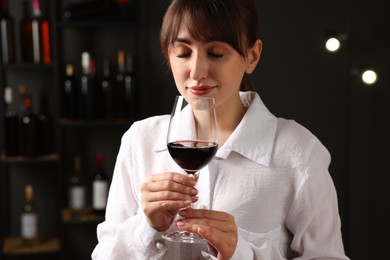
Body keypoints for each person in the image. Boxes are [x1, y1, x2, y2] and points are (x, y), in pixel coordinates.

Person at [92, 0, 349, 259]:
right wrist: (148, 229)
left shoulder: (299, 152)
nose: (197, 71)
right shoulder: (140, 140)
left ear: (252, 56)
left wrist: (242, 254)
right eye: (182, 53)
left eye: (215, 53)